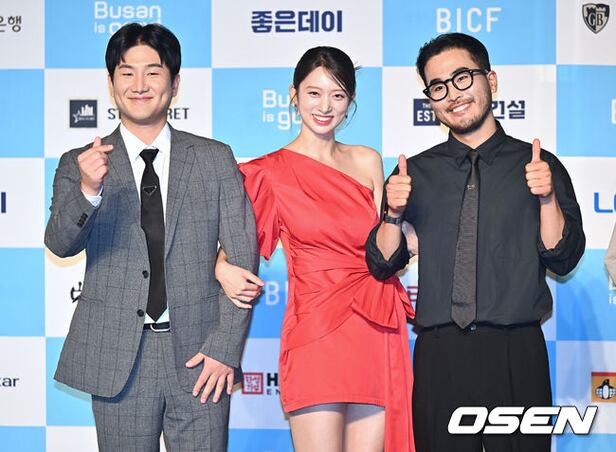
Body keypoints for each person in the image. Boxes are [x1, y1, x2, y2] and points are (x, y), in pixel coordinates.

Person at [365, 33, 585, 452]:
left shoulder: (538, 165)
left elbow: (563, 256)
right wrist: (392, 213)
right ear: (430, 100)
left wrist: (546, 199)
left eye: (462, 77)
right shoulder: (414, 174)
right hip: (440, 355)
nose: (453, 94)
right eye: (438, 87)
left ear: (491, 80)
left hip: (515, 351)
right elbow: (382, 262)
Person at [44, 23, 258, 451]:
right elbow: (60, 243)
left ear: (174, 84)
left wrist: (223, 348)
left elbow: (243, 258)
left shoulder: (214, 159)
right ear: (111, 84)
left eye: (153, 72)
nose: (139, 84)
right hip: (117, 357)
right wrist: (88, 189)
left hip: (201, 357)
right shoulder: (80, 163)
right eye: (127, 73)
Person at [215, 47, 415, 452]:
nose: (325, 107)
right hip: (316, 328)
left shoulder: (367, 161)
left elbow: (388, 251)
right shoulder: (268, 172)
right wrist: (221, 268)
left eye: (337, 95)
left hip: (375, 323)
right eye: (314, 93)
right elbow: (232, 245)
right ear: (294, 95)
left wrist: (407, 224)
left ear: (350, 101)